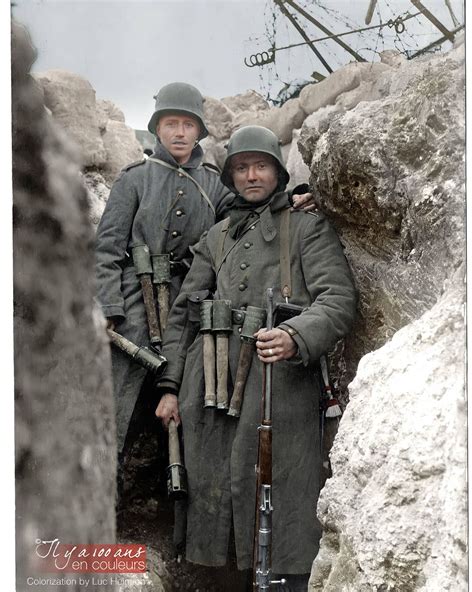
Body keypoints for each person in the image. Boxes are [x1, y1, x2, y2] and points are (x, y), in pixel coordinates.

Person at [155, 125, 357, 591]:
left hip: (279, 387)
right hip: (210, 388)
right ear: (230, 177)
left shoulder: (307, 228)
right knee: (210, 491)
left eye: (260, 165)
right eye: (241, 168)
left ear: (278, 173)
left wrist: (294, 334)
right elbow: (186, 315)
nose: (251, 175)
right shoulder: (216, 237)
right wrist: (169, 386)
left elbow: (338, 300)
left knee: (282, 497)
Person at [94, 83, 316, 476]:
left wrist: (294, 195)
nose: (179, 133)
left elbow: (254, 204)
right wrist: (109, 308)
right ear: (157, 129)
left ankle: (165, 497)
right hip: (133, 302)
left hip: (186, 301)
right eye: (170, 124)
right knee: (116, 401)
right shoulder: (135, 179)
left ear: (200, 132)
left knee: (184, 392)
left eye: (187, 125)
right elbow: (107, 249)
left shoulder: (214, 183)